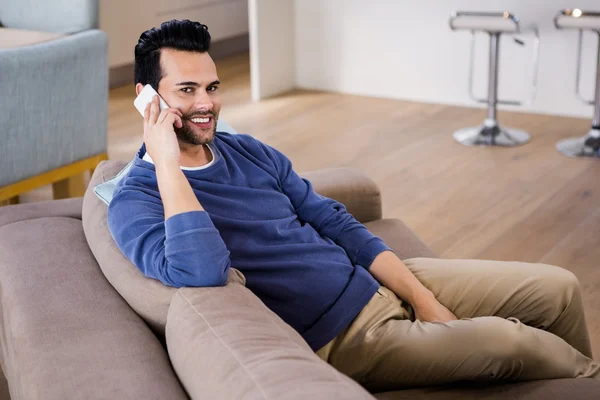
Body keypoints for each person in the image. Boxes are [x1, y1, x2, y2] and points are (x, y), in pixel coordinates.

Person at [108, 19, 599, 391]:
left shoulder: (247, 150)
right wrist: (166, 162)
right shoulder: (136, 200)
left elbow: (333, 221)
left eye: (212, 88)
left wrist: (425, 301)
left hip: (383, 282)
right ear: (146, 97)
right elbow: (203, 270)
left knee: (558, 287)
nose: (206, 104)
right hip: (343, 340)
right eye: (187, 90)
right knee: (514, 342)